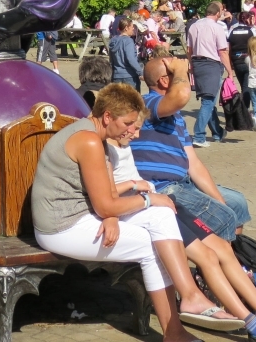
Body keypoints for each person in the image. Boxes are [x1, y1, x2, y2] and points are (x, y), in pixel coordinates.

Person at [31, 80, 241, 340]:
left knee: (163, 214)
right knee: (151, 243)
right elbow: (106, 202)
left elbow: (106, 194)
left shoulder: (98, 137)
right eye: (128, 123)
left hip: (82, 215)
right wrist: (145, 201)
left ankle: (190, 297)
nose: (135, 132)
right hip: (60, 227)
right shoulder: (89, 142)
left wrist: (115, 213)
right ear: (107, 116)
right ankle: (175, 330)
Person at [109, 107, 256, 340]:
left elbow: (192, 164)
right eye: (132, 127)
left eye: (137, 127)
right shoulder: (101, 145)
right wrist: (133, 190)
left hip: (159, 203)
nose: (137, 134)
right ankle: (252, 323)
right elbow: (103, 195)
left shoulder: (121, 142)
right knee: (207, 256)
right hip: (146, 209)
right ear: (109, 117)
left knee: (223, 248)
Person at [130, 57, 252, 241]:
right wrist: (180, 68)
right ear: (164, 81)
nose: (187, 76)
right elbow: (181, 96)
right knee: (224, 218)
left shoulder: (176, 116)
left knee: (236, 204)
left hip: (183, 183)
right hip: (161, 187)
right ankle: (215, 265)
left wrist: (219, 200)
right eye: (181, 74)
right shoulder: (147, 103)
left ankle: (230, 258)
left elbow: (193, 163)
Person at [185, 2, 233, 147]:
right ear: (217, 13)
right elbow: (223, 51)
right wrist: (230, 71)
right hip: (211, 64)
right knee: (208, 101)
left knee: (208, 101)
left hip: (197, 63)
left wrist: (191, 65)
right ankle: (199, 136)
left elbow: (189, 49)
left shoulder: (194, 26)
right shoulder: (216, 28)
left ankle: (218, 132)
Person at [227, 12, 256, 95]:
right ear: (248, 19)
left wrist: (230, 62)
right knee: (246, 87)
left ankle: (243, 104)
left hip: (236, 60)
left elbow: (229, 48)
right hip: (248, 60)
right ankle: (245, 106)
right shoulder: (251, 31)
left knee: (242, 85)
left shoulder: (232, 30)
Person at [108, 17, 142, 88]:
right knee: (132, 99)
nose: (133, 29)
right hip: (129, 76)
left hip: (116, 76)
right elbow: (131, 59)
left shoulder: (113, 41)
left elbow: (111, 60)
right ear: (126, 28)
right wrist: (140, 72)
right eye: (132, 27)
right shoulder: (128, 41)